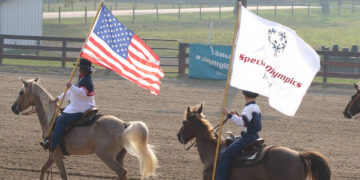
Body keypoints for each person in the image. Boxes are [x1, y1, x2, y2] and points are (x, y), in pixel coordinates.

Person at [41, 58, 96, 151]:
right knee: (58, 118)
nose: (78, 70)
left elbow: (82, 92)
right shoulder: (82, 79)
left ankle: (52, 145)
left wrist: (71, 87)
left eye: (79, 68)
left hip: (81, 107)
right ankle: (54, 139)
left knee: (61, 121)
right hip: (78, 105)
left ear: (83, 69)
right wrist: (58, 98)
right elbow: (70, 92)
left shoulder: (86, 81)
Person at [216, 90, 262, 180]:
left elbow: (242, 122)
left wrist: (228, 115)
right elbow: (248, 122)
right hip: (253, 135)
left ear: (245, 96)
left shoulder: (248, 108)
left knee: (225, 156)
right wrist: (235, 116)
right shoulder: (255, 107)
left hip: (247, 137)